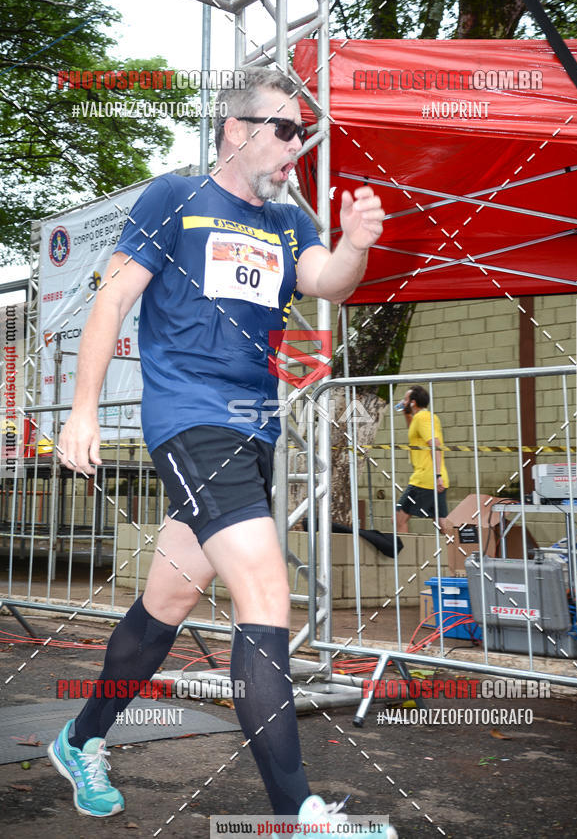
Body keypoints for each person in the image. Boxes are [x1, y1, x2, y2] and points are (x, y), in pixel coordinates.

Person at [47, 67, 395, 835]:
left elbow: (328, 281)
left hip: (253, 428)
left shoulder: (287, 220)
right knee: (266, 598)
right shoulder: (174, 196)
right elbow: (111, 298)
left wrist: (355, 244)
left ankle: (80, 740)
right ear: (236, 130)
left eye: (305, 134)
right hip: (190, 421)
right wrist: (81, 412)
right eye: (285, 130)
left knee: (165, 603)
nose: (297, 147)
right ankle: (298, 813)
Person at [395, 385, 452, 537]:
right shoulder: (421, 418)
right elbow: (412, 430)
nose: (403, 401)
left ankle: (404, 557)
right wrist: (405, 412)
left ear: (413, 402)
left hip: (425, 478)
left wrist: (437, 475)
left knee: (399, 517)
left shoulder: (423, 418)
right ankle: (458, 552)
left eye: (406, 399)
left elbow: (435, 445)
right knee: (441, 522)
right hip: (432, 478)